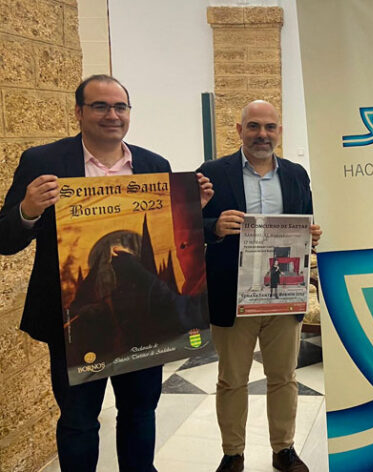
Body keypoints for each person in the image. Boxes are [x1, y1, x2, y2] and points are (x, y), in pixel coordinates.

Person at [0, 74, 214, 472]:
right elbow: (5, 239)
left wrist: (190, 209)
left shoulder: (154, 165)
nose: (112, 115)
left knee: (140, 411)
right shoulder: (42, 162)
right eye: (100, 106)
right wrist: (28, 210)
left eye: (120, 107)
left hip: (144, 321)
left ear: (129, 113)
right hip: (77, 321)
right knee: (79, 421)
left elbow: (169, 238)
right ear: (79, 112)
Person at [197, 100, 322, 472]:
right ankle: (233, 454)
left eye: (269, 127)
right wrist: (214, 227)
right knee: (232, 379)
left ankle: (284, 449)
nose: (262, 134)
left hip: (284, 293)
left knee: (283, 378)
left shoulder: (296, 174)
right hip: (232, 295)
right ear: (239, 130)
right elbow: (186, 226)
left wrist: (312, 235)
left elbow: (306, 222)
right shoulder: (211, 173)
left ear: (279, 131)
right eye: (253, 126)